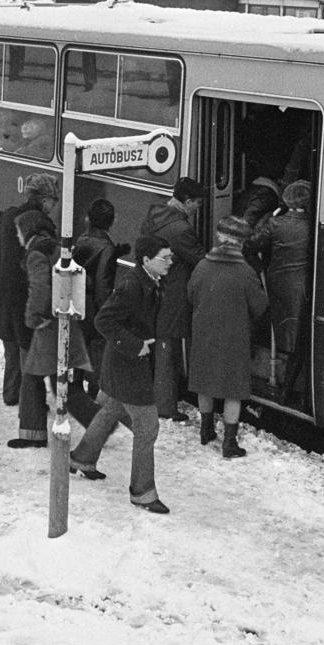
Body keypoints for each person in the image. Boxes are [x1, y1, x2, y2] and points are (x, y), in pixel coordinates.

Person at [67, 234, 175, 515]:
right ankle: (143, 492)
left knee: (110, 410)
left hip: (122, 365)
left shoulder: (149, 280)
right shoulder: (132, 285)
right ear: (146, 260)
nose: (170, 262)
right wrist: (135, 345)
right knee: (148, 428)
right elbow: (104, 320)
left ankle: (82, 459)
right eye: (165, 257)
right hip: (129, 367)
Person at [186, 216, 268, 457]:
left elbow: (191, 295)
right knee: (233, 389)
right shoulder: (245, 271)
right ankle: (229, 443)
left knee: (205, 381)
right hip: (234, 337)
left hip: (204, 333)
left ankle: (206, 429)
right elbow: (260, 306)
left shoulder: (202, 265)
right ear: (241, 244)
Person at [0, 173, 60, 417]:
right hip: (27, 296)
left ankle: (10, 393)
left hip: (6, 296)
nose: (54, 208)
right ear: (45, 200)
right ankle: (32, 404)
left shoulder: (8, 217)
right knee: (30, 352)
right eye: (53, 202)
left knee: (11, 350)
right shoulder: (42, 226)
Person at [19, 210, 96, 432]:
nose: (18, 237)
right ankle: (98, 424)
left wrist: (32, 316)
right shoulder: (52, 246)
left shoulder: (35, 253)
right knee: (58, 380)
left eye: (18, 232)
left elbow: (40, 287)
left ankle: (33, 432)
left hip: (50, 323)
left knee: (35, 376)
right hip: (63, 318)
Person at [139, 176, 207, 421]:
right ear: (187, 202)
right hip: (172, 295)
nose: (198, 209)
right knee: (167, 350)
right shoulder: (181, 229)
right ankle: (165, 407)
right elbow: (199, 258)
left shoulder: (155, 215)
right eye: (197, 204)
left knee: (160, 345)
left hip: (155, 290)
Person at [250, 180, 314, 395]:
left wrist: (267, 219)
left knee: (276, 325)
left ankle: (275, 373)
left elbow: (252, 243)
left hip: (277, 281)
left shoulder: (276, 223)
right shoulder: (312, 226)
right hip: (303, 283)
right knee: (297, 329)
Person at [71, 198, 126, 398]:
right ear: (111, 221)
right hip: (94, 303)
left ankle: (76, 385)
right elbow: (103, 283)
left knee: (81, 344)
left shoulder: (82, 238)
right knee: (98, 348)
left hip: (78, 299)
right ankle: (95, 389)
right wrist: (107, 312)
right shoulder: (107, 247)